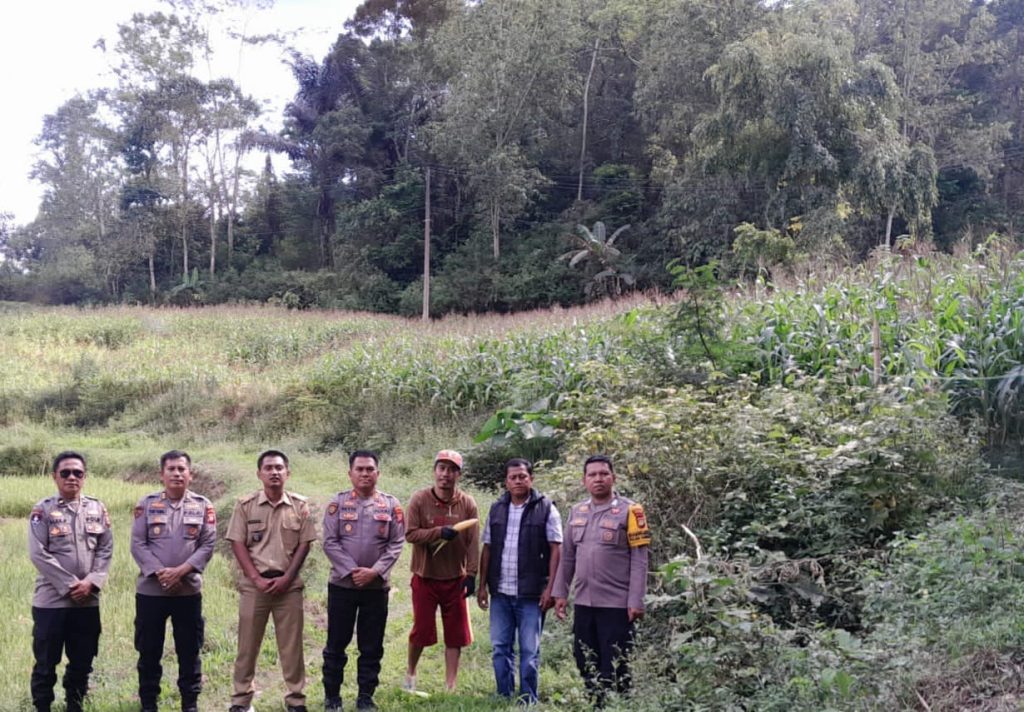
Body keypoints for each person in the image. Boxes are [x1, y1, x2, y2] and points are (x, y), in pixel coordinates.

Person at [552, 455, 651, 706]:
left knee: (616, 663)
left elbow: (640, 560)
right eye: (592, 475)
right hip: (585, 602)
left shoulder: (632, 511)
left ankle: (619, 705)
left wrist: (636, 600)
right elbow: (568, 558)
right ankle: (596, 704)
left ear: (613, 478)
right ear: (584, 480)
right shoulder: (577, 511)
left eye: (603, 474)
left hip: (617, 605)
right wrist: (560, 593)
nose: (598, 479)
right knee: (584, 658)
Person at [225, 449, 317, 712]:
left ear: (288, 473)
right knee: (247, 646)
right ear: (259, 473)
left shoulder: (300, 506)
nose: (274, 472)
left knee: (291, 647)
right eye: (268, 468)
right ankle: (241, 700)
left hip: (289, 588)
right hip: (255, 587)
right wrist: (255, 578)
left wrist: (288, 578)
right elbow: (237, 543)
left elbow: (304, 544)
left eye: (279, 468)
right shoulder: (245, 506)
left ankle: (296, 699)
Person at [130, 450, 217, 712]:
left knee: (189, 651)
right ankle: (148, 704)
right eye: (171, 469)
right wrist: (161, 573)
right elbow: (137, 543)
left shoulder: (203, 505)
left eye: (182, 469)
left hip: (187, 592)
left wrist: (181, 572)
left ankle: (189, 704)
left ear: (191, 475)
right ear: (162, 474)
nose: (177, 473)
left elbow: (208, 543)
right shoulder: (146, 504)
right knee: (149, 652)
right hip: (151, 593)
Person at [28, 451, 113, 712]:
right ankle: (42, 707)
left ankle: (74, 706)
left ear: (84, 477)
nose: (72, 477)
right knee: (46, 663)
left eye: (78, 473)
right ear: (55, 477)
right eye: (65, 472)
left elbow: (105, 549)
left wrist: (92, 582)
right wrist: (70, 585)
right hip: (51, 603)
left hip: (87, 602)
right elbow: (38, 553)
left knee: (82, 662)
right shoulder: (43, 510)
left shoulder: (97, 508)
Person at [321, 450, 405, 711]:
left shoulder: (391, 505)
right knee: (336, 644)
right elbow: (330, 542)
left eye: (370, 469)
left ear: (378, 473)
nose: (365, 473)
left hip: (376, 588)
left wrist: (374, 572)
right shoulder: (337, 504)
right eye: (360, 469)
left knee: (371, 646)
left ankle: (365, 697)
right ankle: (332, 698)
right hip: (342, 586)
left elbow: (396, 543)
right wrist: (353, 571)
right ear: (350, 473)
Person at [477, 458, 563, 704]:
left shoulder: (546, 508)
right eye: (513, 477)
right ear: (506, 481)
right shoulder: (497, 508)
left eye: (522, 476)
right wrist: (482, 585)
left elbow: (556, 549)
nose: (518, 481)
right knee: (500, 647)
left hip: (531, 595)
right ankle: (503, 694)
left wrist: (551, 588)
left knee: (529, 650)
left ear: (531, 479)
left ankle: (528, 699)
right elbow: (488, 548)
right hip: (501, 593)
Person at [403, 449, 479, 693]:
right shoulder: (419, 499)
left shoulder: (467, 503)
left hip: (455, 579)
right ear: (435, 471)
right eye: (442, 468)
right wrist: (438, 532)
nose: (446, 474)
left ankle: (450, 685)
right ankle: (411, 673)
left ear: (458, 474)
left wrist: (472, 574)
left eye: (452, 470)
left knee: (455, 634)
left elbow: (472, 543)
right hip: (425, 577)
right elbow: (410, 534)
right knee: (421, 631)